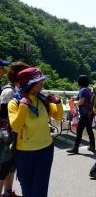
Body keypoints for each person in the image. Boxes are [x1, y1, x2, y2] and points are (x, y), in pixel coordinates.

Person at [8, 67, 64, 197]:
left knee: (39, 191)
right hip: (24, 153)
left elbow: (58, 117)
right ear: (30, 84)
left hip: (45, 150)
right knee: (27, 190)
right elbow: (16, 127)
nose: (42, 83)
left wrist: (59, 103)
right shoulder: (14, 103)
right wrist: (23, 106)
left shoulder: (42, 99)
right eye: (40, 81)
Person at [0, 60, 26, 197]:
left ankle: (8, 193)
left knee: (10, 166)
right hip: (5, 136)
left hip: (13, 135)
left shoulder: (16, 90)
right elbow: (3, 116)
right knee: (3, 168)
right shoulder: (8, 91)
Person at [67, 75, 95, 154]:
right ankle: (92, 146)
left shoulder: (82, 90)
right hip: (90, 113)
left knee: (79, 130)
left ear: (80, 82)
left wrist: (74, 102)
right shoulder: (89, 89)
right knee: (89, 130)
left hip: (84, 114)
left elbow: (81, 101)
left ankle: (75, 148)